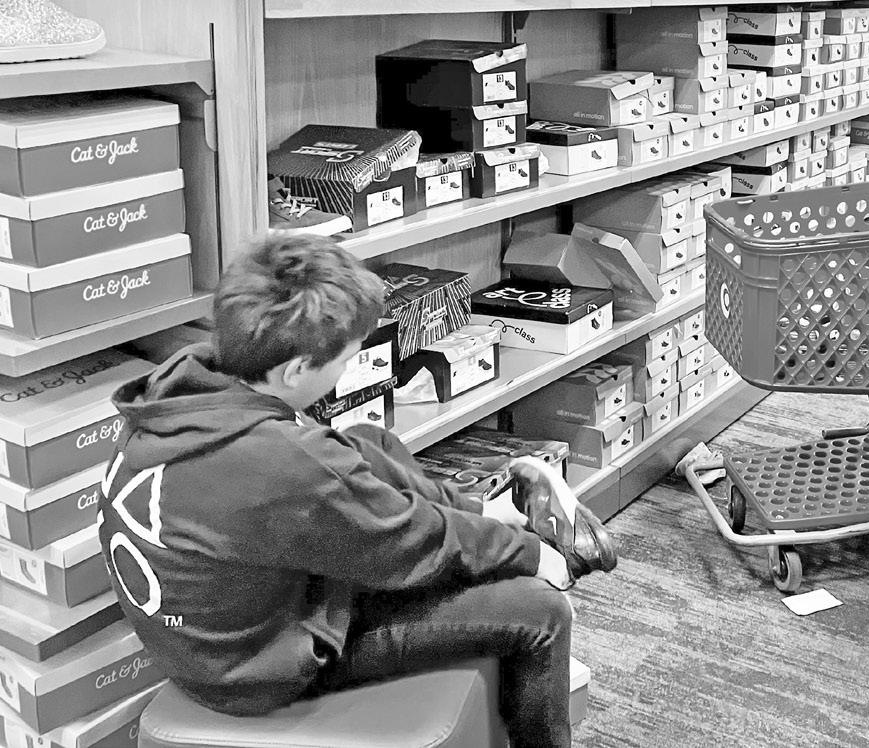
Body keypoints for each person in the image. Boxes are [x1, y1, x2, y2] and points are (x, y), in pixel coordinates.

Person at [98, 235, 617, 748]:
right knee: (540, 611)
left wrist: (478, 520)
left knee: (367, 443)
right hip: (257, 668)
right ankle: (526, 551)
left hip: (207, 633)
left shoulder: (185, 390)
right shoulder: (286, 464)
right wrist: (530, 556)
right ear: (295, 370)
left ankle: (489, 511)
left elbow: (331, 483)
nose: (348, 368)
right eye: (345, 359)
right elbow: (409, 544)